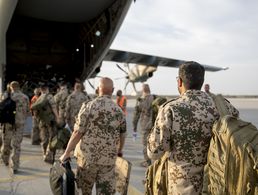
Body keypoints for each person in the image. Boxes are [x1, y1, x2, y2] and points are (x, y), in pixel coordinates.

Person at [147, 61, 239, 194]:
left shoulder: (170, 109)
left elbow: (154, 152)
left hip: (182, 187)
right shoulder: (224, 106)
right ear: (202, 81)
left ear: (179, 82)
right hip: (218, 184)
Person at [59, 77, 126, 194]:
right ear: (113, 90)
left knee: (84, 191)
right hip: (108, 161)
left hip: (87, 160)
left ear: (97, 90)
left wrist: (66, 153)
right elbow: (122, 135)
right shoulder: (118, 110)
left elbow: (77, 132)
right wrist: (119, 151)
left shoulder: (88, 106)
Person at [0, 81, 29, 174]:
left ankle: (5, 159)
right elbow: (28, 111)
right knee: (17, 145)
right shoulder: (25, 97)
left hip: (8, 123)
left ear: (11, 87)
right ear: (19, 87)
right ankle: (15, 165)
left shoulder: (6, 96)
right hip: (20, 123)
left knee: (6, 142)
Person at [132, 83, 155, 167]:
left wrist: (134, 128)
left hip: (145, 126)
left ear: (143, 90)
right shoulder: (155, 98)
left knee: (146, 144)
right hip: (155, 126)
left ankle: (148, 162)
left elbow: (136, 116)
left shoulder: (141, 101)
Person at [37, 84, 59, 164]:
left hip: (42, 121)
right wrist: (57, 117)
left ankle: (44, 153)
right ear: (47, 89)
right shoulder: (50, 97)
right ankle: (49, 156)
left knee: (44, 138)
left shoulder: (39, 98)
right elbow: (53, 107)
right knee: (52, 138)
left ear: (41, 90)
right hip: (50, 121)